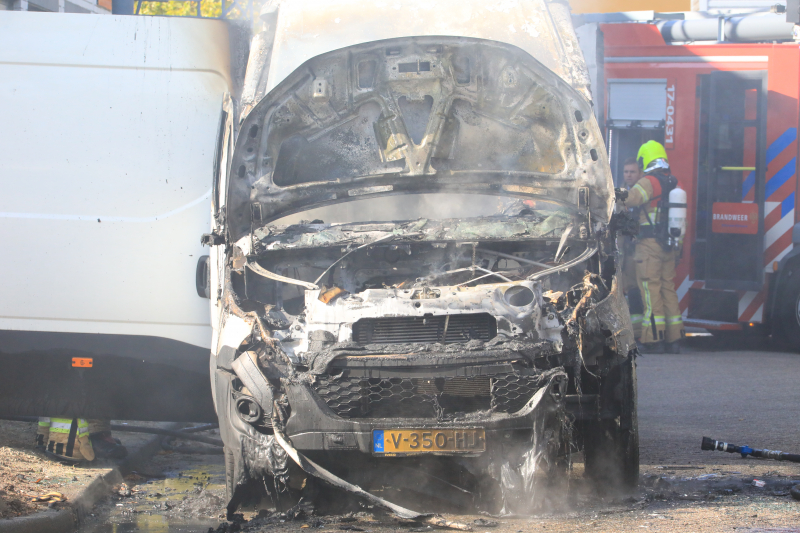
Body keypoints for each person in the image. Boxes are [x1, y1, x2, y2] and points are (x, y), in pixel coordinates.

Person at [625, 141, 685, 354]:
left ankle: (653, 338)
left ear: (644, 159)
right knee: (668, 288)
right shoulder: (671, 181)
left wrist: (614, 193)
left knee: (650, 291)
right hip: (668, 245)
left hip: (649, 246)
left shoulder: (649, 181)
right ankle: (674, 338)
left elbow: (632, 199)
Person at [620, 157, 643, 341]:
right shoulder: (620, 192)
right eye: (626, 171)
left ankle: (637, 331)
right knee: (624, 286)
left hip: (638, 248)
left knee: (635, 287)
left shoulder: (640, 196)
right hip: (623, 249)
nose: (628, 175)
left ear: (640, 174)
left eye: (632, 172)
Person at [36, 418, 127, 462]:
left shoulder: (51, 401)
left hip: (51, 451)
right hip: (73, 455)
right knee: (121, 452)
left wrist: (41, 444)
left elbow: (44, 424)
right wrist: (93, 458)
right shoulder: (81, 405)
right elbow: (83, 442)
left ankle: (102, 437)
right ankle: (102, 438)